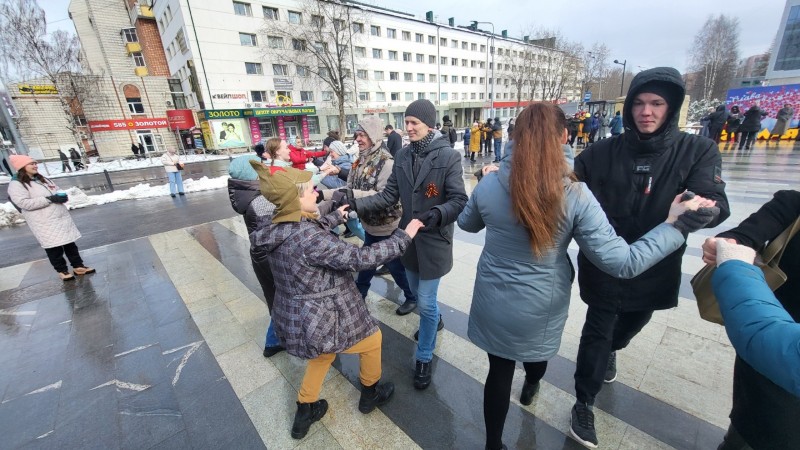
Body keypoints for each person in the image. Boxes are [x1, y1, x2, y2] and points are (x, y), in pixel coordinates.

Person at [458, 102, 718, 450]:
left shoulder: (490, 185)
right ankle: (532, 384)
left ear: (514, 137)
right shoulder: (574, 194)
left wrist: (483, 183)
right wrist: (672, 226)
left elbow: (466, 224)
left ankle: (493, 445)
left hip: (492, 298)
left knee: (499, 371)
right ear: (565, 136)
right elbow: (623, 262)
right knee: (535, 359)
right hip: (540, 304)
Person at [570, 67, 731, 449]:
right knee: (597, 331)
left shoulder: (697, 150)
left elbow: (716, 200)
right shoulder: (599, 152)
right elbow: (564, 185)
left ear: (671, 107)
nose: (646, 111)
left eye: (657, 103)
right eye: (639, 103)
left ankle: (614, 349)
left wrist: (705, 210)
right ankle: (583, 402)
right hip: (605, 263)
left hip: (655, 265)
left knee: (629, 327)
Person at [248, 162, 424, 440]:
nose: (316, 194)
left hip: (297, 317)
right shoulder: (307, 238)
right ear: (294, 200)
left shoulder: (275, 228)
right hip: (322, 314)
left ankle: (305, 410)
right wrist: (403, 237)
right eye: (309, 191)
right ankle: (370, 393)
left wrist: (334, 218)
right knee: (373, 339)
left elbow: (304, 232)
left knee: (322, 355)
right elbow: (360, 258)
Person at [348, 99, 468, 390]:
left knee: (425, 303)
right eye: (407, 121)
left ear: (429, 123)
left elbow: (459, 201)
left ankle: (424, 357)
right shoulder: (401, 155)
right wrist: (352, 203)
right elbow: (389, 196)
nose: (408, 127)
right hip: (407, 241)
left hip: (435, 241)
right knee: (415, 292)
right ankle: (435, 320)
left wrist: (436, 213)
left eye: (414, 122)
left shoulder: (448, 156)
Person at [702, 189, 800, 450]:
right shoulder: (793, 204)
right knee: (748, 433)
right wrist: (726, 244)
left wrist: (736, 267)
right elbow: (743, 236)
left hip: (766, 338)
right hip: (763, 369)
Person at [321, 116, 418, 315]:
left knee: (395, 268)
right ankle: (359, 296)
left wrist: (348, 196)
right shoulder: (359, 160)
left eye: (363, 135)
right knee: (366, 265)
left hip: (387, 227)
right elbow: (348, 187)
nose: (358, 139)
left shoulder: (386, 162)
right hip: (370, 224)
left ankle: (412, 297)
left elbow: (383, 196)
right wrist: (323, 195)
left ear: (373, 136)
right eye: (357, 134)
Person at [226, 143, 283, 358]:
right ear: (252, 174)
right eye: (259, 167)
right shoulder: (260, 201)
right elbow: (281, 229)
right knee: (283, 297)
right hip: (271, 256)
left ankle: (274, 340)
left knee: (276, 297)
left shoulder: (248, 195)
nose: (264, 168)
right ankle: (276, 340)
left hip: (260, 255)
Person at [7, 154, 95, 281]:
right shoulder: (17, 184)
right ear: (22, 167)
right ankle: (62, 270)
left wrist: (61, 196)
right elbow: (23, 203)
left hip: (60, 218)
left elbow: (56, 189)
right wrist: (49, 199)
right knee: (54, 248)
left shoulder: (42, 179)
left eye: (35, 163)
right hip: (44, 221)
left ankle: (78, 266)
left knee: (70, 244)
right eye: (31, 164)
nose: (35, 166)